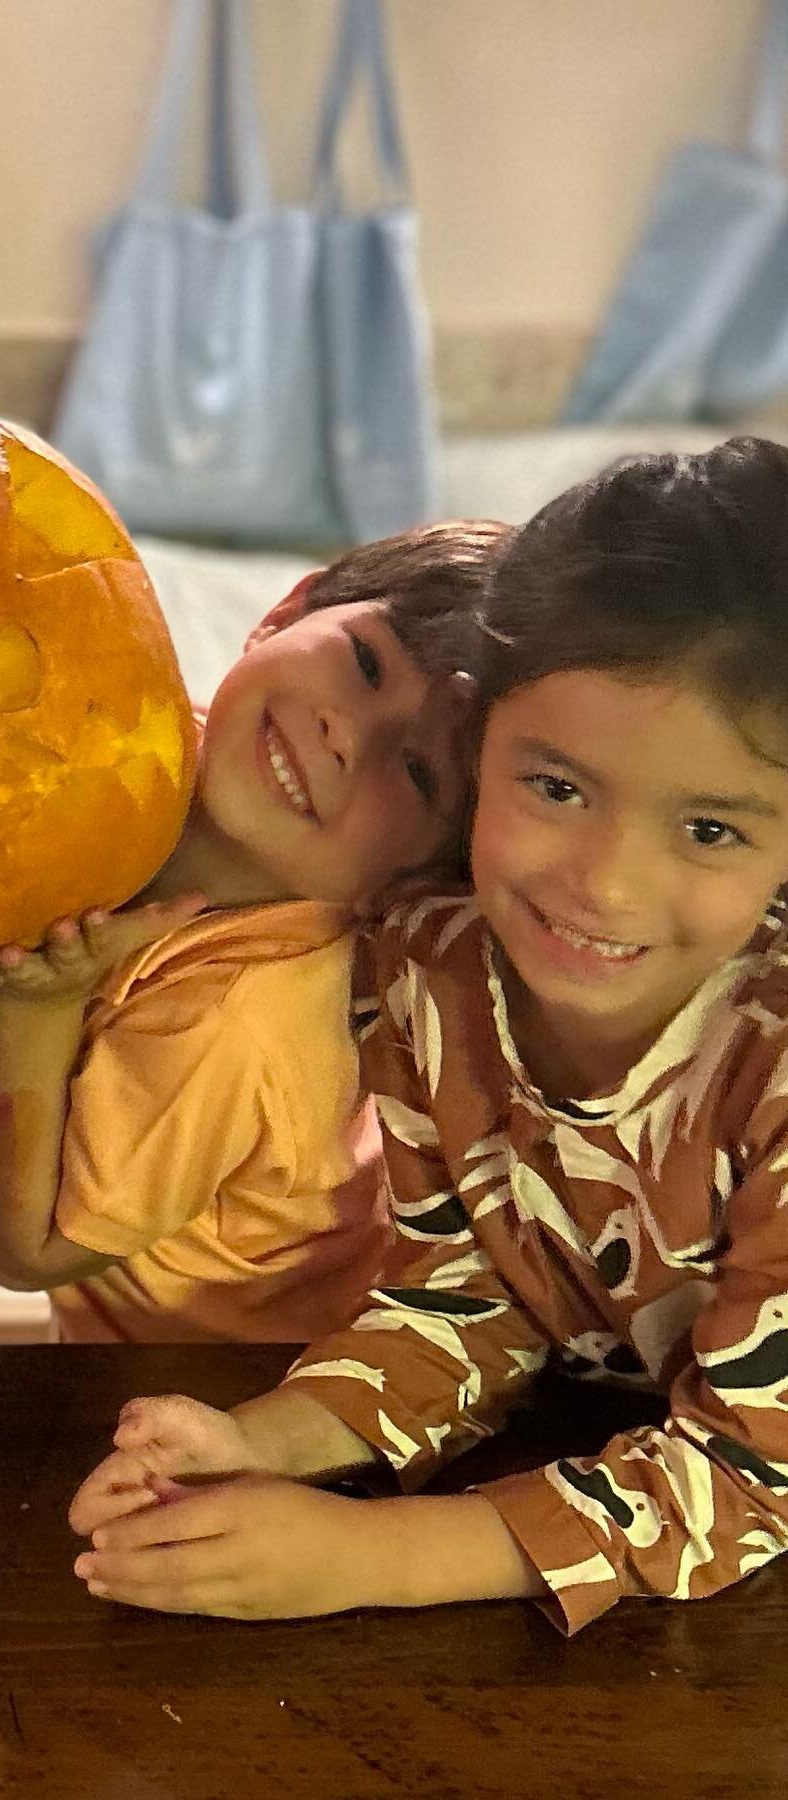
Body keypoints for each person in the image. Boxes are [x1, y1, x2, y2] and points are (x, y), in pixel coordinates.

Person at [68, 437, 788, 1634]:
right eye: (556, 788)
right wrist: (262, 1441)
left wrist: (368, 1555)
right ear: (475, 739)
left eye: (710, 831)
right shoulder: (428, 965)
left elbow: (752, 1476)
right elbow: (467, 1299)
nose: (604, 887)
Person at [0, 521, 513, 1342]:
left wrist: (36, 1008)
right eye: (366, 663)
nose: (345, 735)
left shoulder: (238, 1026)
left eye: (415, 772)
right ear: (287, 610)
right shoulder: (149, 739)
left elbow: (30, 1251)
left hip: (220, 1389)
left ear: (414, 886)